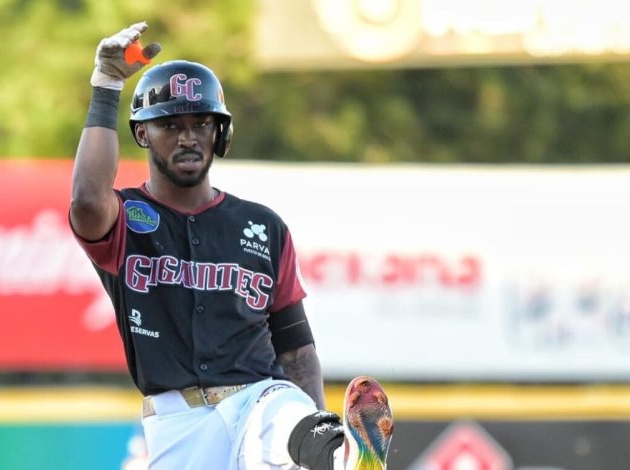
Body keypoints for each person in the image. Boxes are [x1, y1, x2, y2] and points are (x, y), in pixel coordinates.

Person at [70, 22, 394, 469]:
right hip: (176, 424)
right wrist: (107, 85)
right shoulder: (125, 219)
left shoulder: (263, 226)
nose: (188, 136)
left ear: (220, 131)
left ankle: (335, 457)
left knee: (282, 425)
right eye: (170, 124)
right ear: (143, 134)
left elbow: (296, 350)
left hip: (258, 398)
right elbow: (87, 200)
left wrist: (317, 422)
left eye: (201, 122)